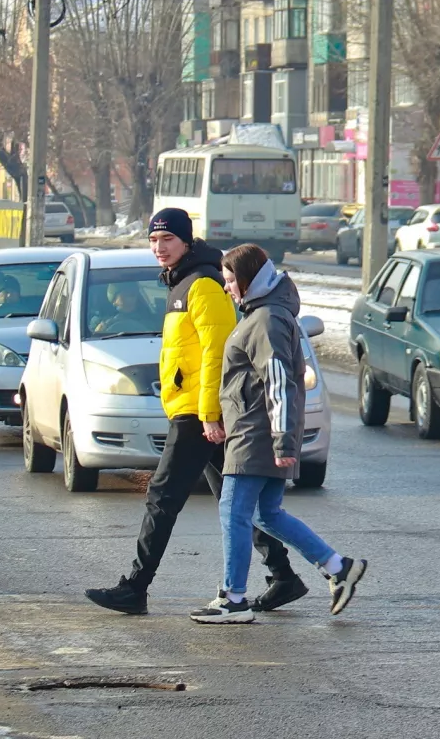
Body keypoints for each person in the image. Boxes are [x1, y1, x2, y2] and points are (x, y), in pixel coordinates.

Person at [85, 208, 306, 615]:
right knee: (238, 500)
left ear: (187, 241)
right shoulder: (183, 283)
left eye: (167, 240)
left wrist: (208, 414)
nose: (159, 248)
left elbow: (217, 354)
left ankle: (135, 587)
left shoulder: (202, 284)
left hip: (200, 414)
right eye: (153, 241)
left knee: (162, 498)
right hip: (197, 411)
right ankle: (283, 576)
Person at [192, 243, 368, 624]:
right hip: (256, 431)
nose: (226, 288)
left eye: (230, 280)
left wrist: (284, 440)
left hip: (256, 436)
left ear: (249, 279)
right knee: (264, 513)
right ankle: (338, 567)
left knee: (234, 512)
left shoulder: (266, 319)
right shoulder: (263, 313)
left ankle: (233, 598)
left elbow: (279, 383)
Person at [91, 283, 159, 335]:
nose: (131, 298)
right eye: (126, 294)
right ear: (114, 299)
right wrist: (98, 332)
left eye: (133, 294)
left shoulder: (148, 318)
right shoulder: (99, 320)